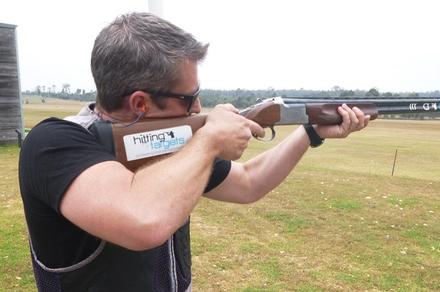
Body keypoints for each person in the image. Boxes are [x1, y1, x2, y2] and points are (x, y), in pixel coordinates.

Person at [19, 12, 370, 292]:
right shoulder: (54, 143)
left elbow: (248, 182)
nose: (200, 106)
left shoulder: (176, 144)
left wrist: (310, 132)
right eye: (190, 98)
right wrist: (209, 140)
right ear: (140, 102)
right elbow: (142, 219)